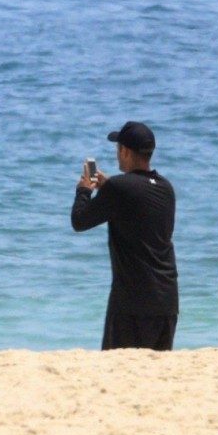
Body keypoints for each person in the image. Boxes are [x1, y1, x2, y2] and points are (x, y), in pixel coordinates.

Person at [71, 121, 178, 351]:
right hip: (167, 302)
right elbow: (139, 205)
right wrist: (110, 187)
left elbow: (79, 221)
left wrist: (84, 190)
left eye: (118, 148)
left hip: (132, 304)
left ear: (125, 152)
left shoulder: (119, 189)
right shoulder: (166, 188)